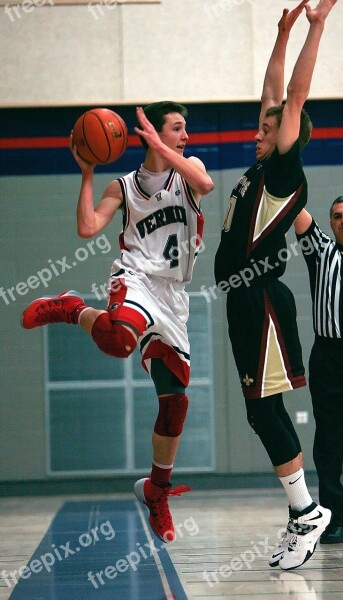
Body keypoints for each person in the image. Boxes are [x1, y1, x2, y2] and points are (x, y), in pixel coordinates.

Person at [21, 101, 214, 543]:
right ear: (155, 133)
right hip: (136, 279)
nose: (186, 136)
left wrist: (161, 147)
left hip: (173, 297)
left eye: (185, 129)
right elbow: (88, 229)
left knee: (175, 402)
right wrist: (87, 172)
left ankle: (156, 490)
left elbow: (205, 182)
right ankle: (71, 308)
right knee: (120, 341)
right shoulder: (123, 186)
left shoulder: (189, 171)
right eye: (178, 129)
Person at [214, 0, 336, 571]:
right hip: (243, 301)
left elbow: (293, 96)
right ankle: (300, 512)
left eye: (270, 126)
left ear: (288, 135)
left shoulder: (285, 171)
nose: (259, 128)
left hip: (261, 299)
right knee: (259, 410)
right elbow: (272, 90)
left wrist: (316, 29)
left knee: (264, 411)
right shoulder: (260, 169)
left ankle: (306, 511)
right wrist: (281, 34)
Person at [294, 198, 343, 544]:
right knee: (329, 440)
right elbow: (296, 207)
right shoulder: (321, 250)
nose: (342, 222)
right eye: (337, 217)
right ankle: (335, 518)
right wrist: (283, 158)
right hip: (327, 355)